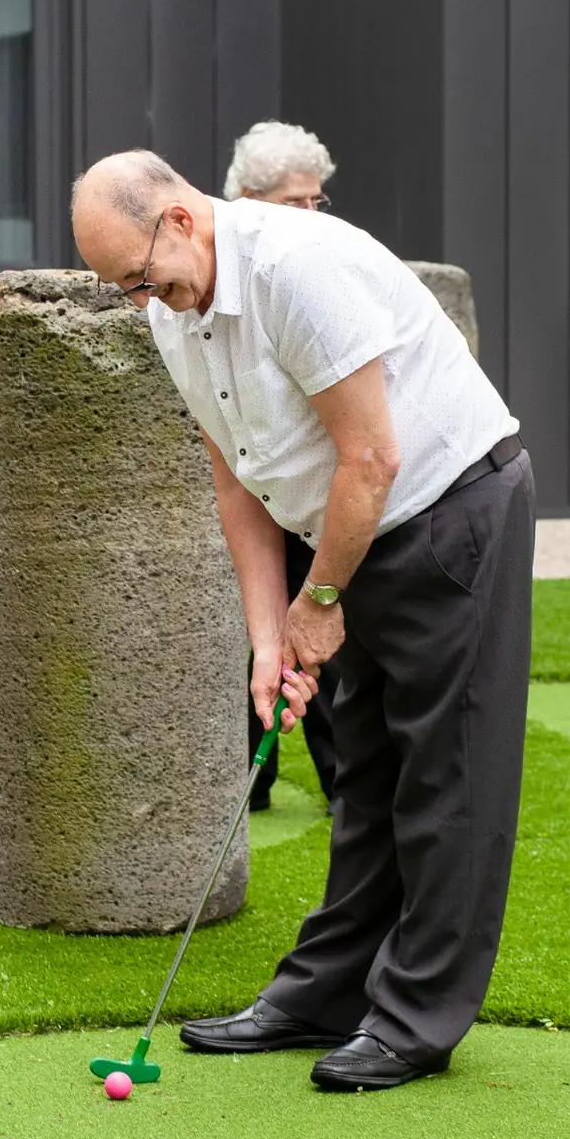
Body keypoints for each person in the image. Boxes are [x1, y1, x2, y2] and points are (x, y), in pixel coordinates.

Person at [71, 150, 533, 1092]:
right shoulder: (173, 311)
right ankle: (326, 992)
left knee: (445, 770)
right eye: (122, 288)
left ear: (181, 221)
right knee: (361, 764)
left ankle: (417, 1017)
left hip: (448, 507)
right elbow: (236, 480)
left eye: (139, 277)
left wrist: (319, 604)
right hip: (347, 530)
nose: (140, 301)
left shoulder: (293, 270)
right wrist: (267, 633)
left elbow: (372, 456)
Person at [222, 121, 342, 811]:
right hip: (266, 488)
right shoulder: (235, 277)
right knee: (271, 635)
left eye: (316, 201)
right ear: (247, 198)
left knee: (320, 634)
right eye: (293, 202)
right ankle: (251, 780)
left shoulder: (322, 270)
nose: (310, 216)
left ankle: (339, 781)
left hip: (329, 492)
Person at [223, 119, 336, 211]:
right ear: (250, 199)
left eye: (315, 200)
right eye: (296, 201)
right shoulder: (214, 238)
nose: (312, 213)